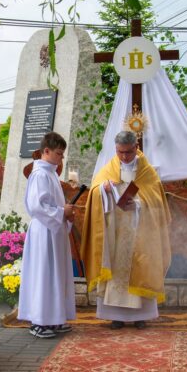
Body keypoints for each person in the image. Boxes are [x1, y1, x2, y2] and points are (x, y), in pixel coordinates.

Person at [80, 130, 172, 329]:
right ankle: (116, 316)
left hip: (140, 230)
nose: (123, 157)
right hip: (115, 230)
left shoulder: (147, 171)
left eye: (128, 152)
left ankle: (141, 316)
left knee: (140, 267)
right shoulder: (109, 168)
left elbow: (156, 201)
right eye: (120, 152)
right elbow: (94, 191)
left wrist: (138, 205)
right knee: (116, 270)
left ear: (136, 148)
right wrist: (103, 190)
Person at [17, 132, 76, 339]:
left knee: (55, 275)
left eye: (62, 154)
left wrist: (65, 213)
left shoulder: (50, 172)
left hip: (54, 230)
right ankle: (40, 321)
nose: (61, 158)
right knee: (44, 275)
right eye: (59, 153)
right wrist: (62, 212)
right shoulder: (40, 174)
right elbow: (37, 206)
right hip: (44, 231)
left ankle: (55, 318)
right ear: (46, 151)